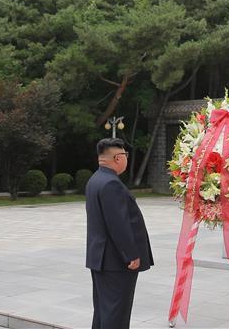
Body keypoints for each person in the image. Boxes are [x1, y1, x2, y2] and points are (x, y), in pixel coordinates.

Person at [85, 138, 153, 329]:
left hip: (101, 258)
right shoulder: (111, 184)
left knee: (103, 312)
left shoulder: (95, 180)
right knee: (116, 315)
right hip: (116, 261)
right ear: (117, 158)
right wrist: (131, 254)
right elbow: (118, 224)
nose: (126, 159)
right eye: (125, 155)